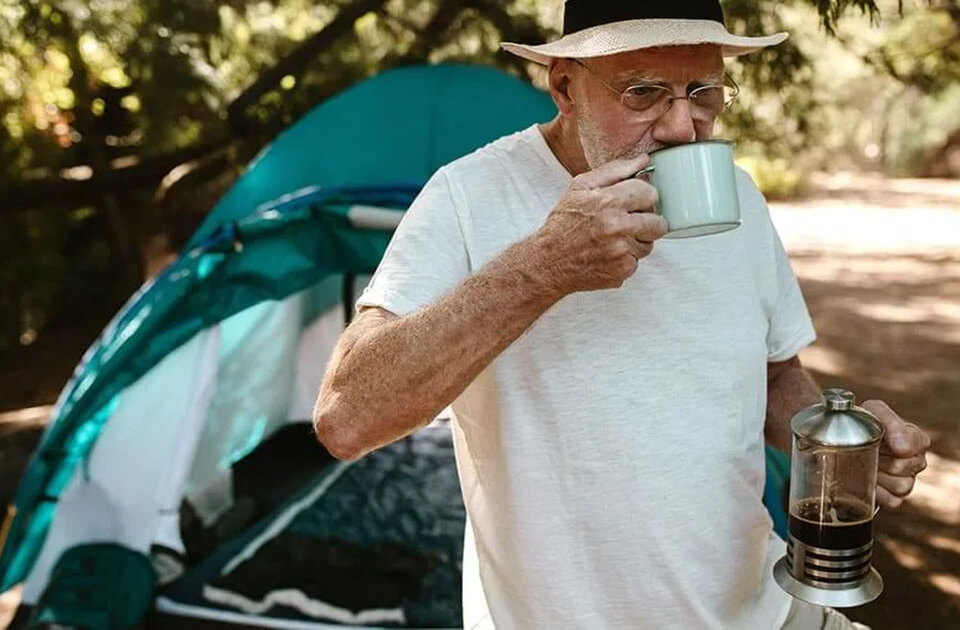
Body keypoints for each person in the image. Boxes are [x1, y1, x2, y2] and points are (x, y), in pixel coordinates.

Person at [313, 2, 932, 628]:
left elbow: (772, 375)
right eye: (645, 93)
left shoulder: (739, 194)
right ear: (563, 86)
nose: (683, 128)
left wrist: (835, 446)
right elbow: (347, 417)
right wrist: (539, 269)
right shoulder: (467, 196)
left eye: (704, 93)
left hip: (765, 608)